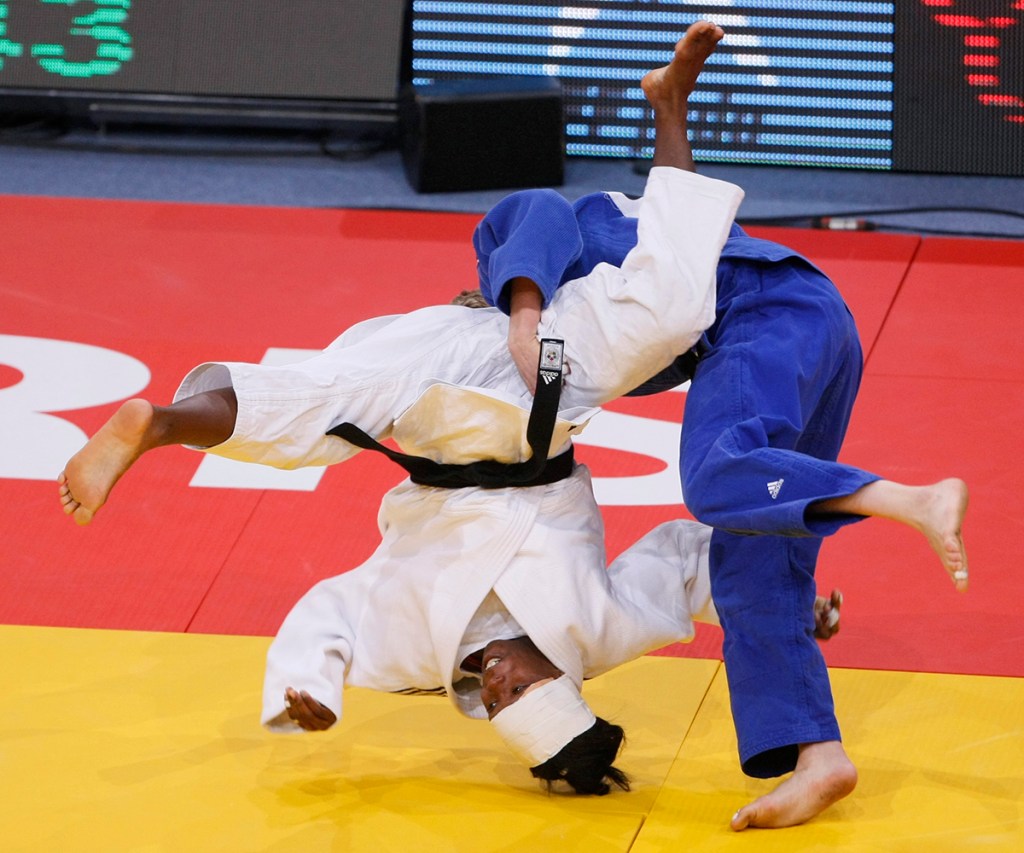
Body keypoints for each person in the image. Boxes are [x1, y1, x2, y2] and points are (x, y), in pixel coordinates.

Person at [58, 22, 766, 796]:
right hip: (546, 397)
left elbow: (327, 613)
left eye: (497, 705)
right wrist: (788, 594)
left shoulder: (414, 652)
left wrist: (312, 691)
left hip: (440, 415)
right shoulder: (595, 632)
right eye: (526, 689)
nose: (500, 685)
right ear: (564, 682)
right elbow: (687, 562)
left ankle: (159, 423)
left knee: (326, 407)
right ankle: (671, 105)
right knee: (672, 311)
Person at [472, 23, 970, 829]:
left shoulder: (525, 277)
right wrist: (672, 108)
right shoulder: (631, 255)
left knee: (712, 472)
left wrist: (521, 313)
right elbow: (678, 219)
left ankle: (910, 498)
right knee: (750, 560)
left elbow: (527, 211)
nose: (500, 679)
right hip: (800, 319)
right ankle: (819, 754)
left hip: (760, 313)